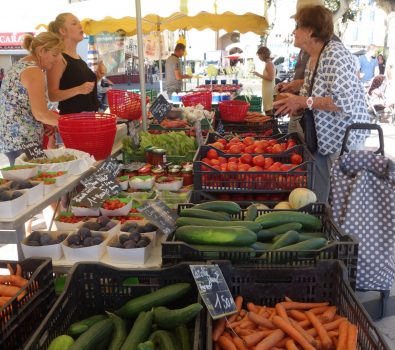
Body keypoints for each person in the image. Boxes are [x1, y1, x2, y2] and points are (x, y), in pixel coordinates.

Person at [273, 5, 370, 202]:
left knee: (342, 200)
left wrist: (302, 100)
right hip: (324, 138)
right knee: (321, 195)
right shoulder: (316, 55)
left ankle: (341, 233)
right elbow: (317, 89)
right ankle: (322, 226)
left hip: (344, 139)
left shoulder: (335, 54)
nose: (293, 31)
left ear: (310, 31)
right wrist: (294, 99)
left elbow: (345, 102)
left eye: (297, 26)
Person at [0, 32, 62, 166]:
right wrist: (72, 124)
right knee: (33, 184)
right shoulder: (33, 71)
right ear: (41, 51)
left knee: (28, 183)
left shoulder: (19, 66)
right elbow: (40, 113)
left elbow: (23, 106)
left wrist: (47, 122)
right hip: (23, 141)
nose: (57, 60)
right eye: (55, 54)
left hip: (12, 141)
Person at [47, 13, 105, 114]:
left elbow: (82, 87)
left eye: (79, 23)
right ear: (63, 31)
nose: (80, 26)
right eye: (74, 23)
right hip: (74, 122)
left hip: (88, 119)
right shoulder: (58, 58)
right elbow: (52, 95)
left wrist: (97, 77)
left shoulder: (78, 58)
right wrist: (78, 89)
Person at [254, 47, 275, 114]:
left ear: (263, 54)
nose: (259, 58)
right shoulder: (268, 63)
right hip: (267, 90)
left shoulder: (269, 64)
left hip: (269, 91)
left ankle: (270, 123)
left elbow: (270, 78)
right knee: (267, 109)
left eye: (259, 55)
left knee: (268, 110)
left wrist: (259, 75)